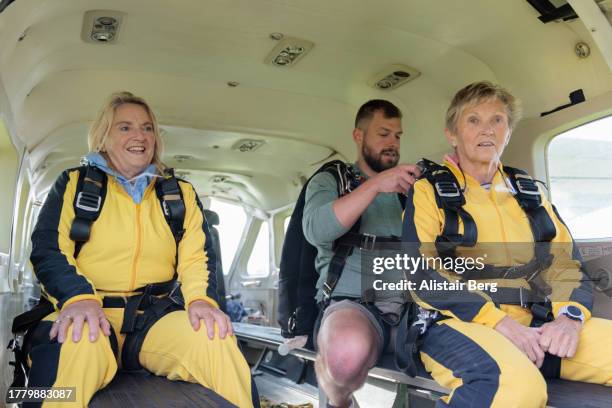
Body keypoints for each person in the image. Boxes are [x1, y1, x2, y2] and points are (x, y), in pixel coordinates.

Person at [27, 91, 255, 407]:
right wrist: (78, 299)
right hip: (90, 310)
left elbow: (196, 257)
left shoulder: (179, 194)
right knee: (76, 344)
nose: (140, 136)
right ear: (103, 136)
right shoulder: (73, 184)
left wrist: (200, 300)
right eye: (125, 127)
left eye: (147, 128)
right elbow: (48, 250)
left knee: (215, 338)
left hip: (154, 319)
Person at [401, 81, 612, 407]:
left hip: (535, 322)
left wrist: (568, 318)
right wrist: (498, 322)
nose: (487, 130)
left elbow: (565, 263)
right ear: (452, 134)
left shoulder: (530, 191)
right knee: (516, 389)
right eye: (473, 120)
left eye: (497, 120)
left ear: (509, 131)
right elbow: (421, 273)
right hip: (457, 323)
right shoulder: (429, 191)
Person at [302, 100, 421, 408]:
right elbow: (316, 229)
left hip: (413, 304)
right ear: (358, 136)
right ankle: (340, 402)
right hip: (353, 303)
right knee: (343, 356)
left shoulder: (413, 187)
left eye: (397, 135)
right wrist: (375, 186)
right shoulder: (333, 179)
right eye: (383, 133)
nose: (393, 143)